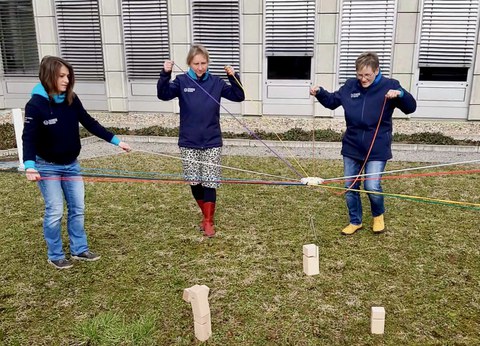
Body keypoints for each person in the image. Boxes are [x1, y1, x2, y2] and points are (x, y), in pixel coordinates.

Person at [22, 56, 131, 269]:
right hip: (47, 166)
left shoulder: (71, 99)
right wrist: (29, 165)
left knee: (77, 207)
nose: (66, 80)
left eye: (68, 76)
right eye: (61, 76)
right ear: (48, 76)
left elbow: (89, 122)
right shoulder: (35, 105)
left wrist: (117, 141)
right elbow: (29, 137)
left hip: (71, 164)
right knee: (55, 211)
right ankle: (55, 254)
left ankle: (79, 249)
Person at [310, 52, 416, 235]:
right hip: (352, 146)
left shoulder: (390, 86)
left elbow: (410, 107)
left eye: (367, 75)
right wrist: (320, 92)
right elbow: (332, 102)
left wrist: (400, 94)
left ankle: (378, 216)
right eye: (360, 75)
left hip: (377, 147)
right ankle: (355, 221)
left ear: (377, 71)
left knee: (372, 186)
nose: (363, 79)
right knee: (350, 187)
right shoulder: (351, 85)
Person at [157, 44, 245, 238]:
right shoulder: (181, 81)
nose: (200, 67)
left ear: (208, 63)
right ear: (189, 63)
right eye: (196, 63)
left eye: (203, 63)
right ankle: (205, 215)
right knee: (195, 181)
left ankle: (208, 221)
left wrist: (233, 76)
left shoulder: (216, 82)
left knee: (210, 181)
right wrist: (165, 73)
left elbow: (239, 96)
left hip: (212, 141)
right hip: (189, 141)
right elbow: (163, 95)